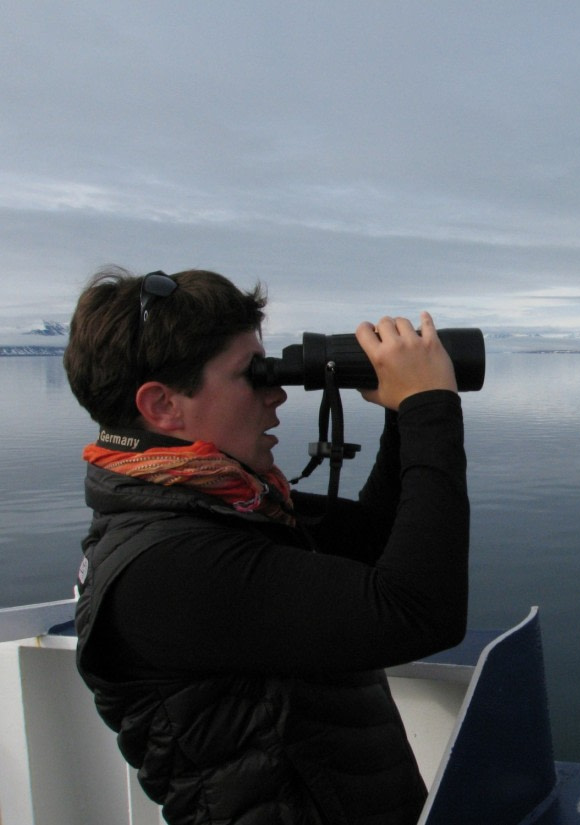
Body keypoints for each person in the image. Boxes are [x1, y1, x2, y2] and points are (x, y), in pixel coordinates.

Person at [63, 267, 469, 825]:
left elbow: (376, 539)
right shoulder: (166, 566)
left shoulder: (219, 506)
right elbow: (420, 612)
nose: (276, 392)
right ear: (161, 406)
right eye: (250, 374)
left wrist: (402, 414)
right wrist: (430, 408)